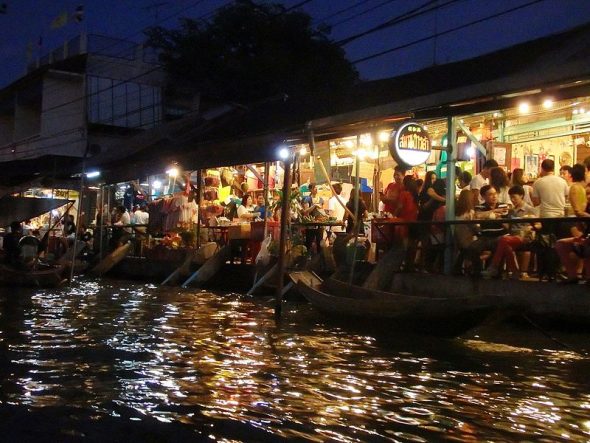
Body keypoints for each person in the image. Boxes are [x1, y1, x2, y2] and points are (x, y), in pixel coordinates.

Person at [481, 185, 536, 279]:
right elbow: (508, 227)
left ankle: (494, 267)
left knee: (503, 239)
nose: (512, 200)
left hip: (524, 236)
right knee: (506, 245)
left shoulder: (529, 209)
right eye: (511, 197)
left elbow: (537, 224)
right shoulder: (511, 211)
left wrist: (531, 225)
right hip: (512, 236)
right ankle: (515, 272)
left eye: (514, 197)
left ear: (521, 196)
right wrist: (500, 220)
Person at [467, 184, 509, 276]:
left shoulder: (503, 205)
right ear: (483, 197)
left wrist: (496, 218)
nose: (494, 196)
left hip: (500, 236)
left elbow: (507, 225)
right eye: (490, 194)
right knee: (473, 248)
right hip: (485, 237)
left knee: (499, 246)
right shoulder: (480, 207)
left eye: (495, 194)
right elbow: (477, 215)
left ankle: (496, 273)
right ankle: (477, 272)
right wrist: (494, 211)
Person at [302, 183, 325, 253]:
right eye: (314, 188)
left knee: (319, 244)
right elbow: (306, 212)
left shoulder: (321, 199)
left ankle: (319, 259)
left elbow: (322, 211)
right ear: (310, 190)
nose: (316, 189)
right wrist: (314, 205)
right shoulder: (307, 199)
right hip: (310, 225)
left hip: (319, 225)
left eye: (316, 188)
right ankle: (306, 259)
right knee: (308, 243)